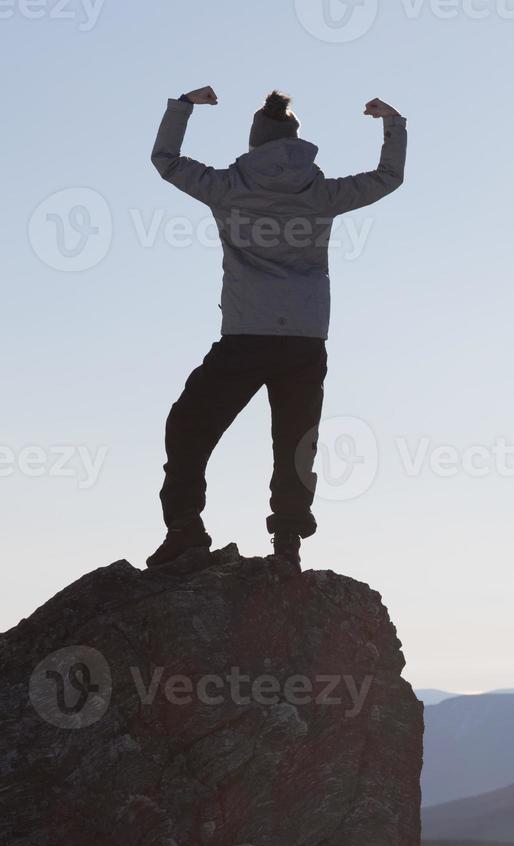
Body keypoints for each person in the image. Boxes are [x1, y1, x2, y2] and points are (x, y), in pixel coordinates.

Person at [146, 86, 406, 572]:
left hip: (245, 336)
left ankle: (184, 530)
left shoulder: (228, 186)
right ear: (295, 141)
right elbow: (388, 177)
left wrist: (183, 106)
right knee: (295, 442)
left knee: (188, 426)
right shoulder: (321, 193)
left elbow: (165, 159)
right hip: (305, 340)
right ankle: (288, 542)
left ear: (254, 142)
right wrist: (392, 124)